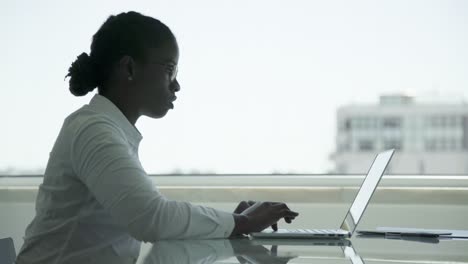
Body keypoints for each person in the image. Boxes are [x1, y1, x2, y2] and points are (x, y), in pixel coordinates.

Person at [15, 11, 299, 264]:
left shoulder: (108, 128)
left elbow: (151, 214)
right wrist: (242, 222)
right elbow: (151, 219)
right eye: (169, 69)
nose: (176, 85)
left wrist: (232, 222)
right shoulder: (94, 131)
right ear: (129, 68)